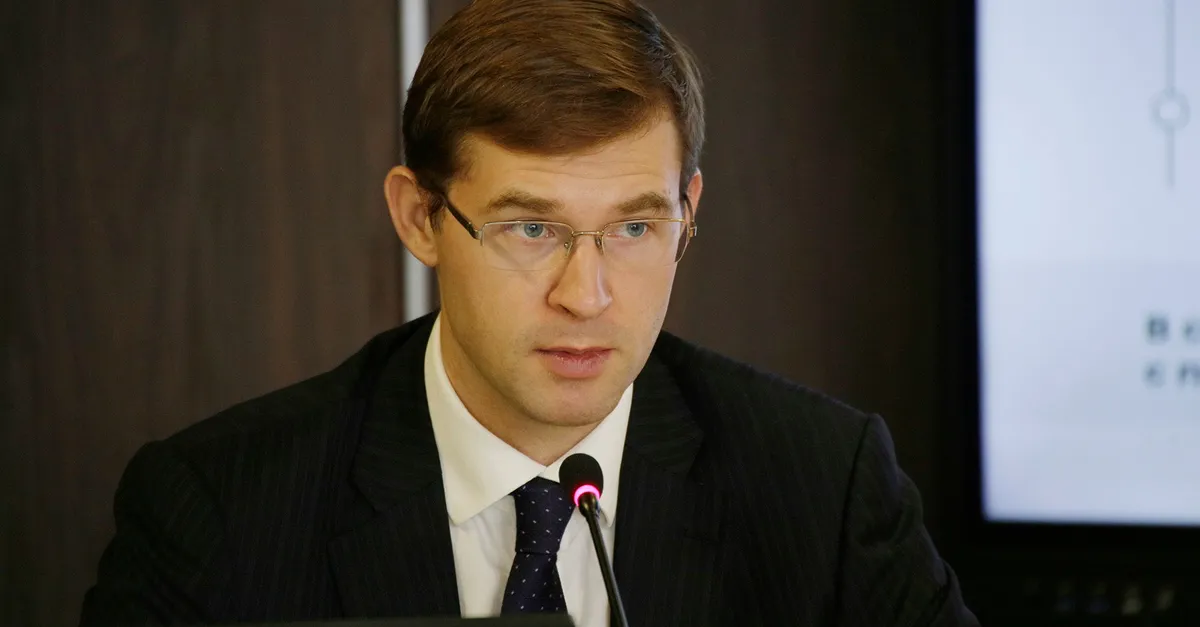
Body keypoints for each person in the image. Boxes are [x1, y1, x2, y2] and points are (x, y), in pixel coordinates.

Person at [80, 0, 979, 625]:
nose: (586, 294)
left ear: (689, 211)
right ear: (420, 217)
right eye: (532, 227)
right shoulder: (220, 510)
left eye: (635, 226)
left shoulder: (822, 485)